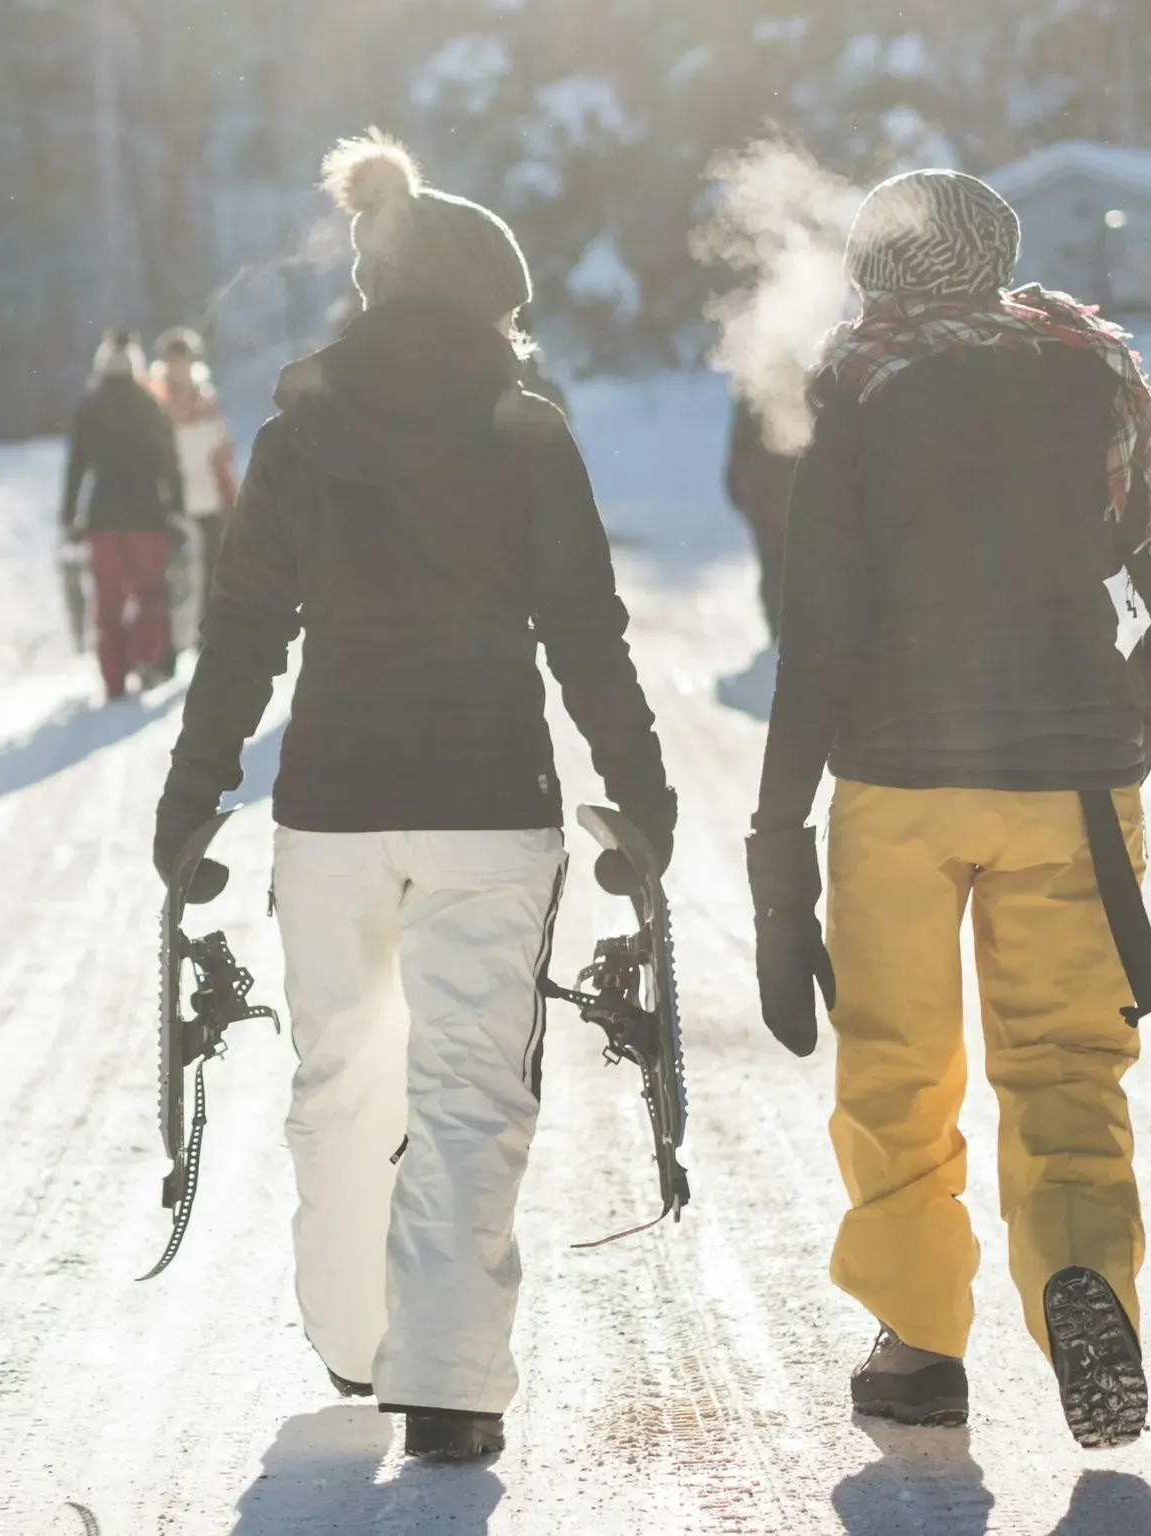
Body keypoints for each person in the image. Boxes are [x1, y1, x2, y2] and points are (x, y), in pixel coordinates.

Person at [152, 131, 674, 1465]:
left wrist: (192, 795)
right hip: (490, 801)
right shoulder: (527, 434)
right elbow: (586, 630)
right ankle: (446, 1385)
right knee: (467, 1088)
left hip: (331, 804)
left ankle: (351, 1337)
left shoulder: (295, 436)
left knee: (337, 1078)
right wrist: (643, 791)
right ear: (492, 306)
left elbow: (244, 631)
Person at [745, 170, 1151, 1447]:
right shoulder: (1096, 380)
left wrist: (774, 837)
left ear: (875, 270)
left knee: (898, 1065)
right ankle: (1081, 1273)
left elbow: (821, 638)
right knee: (1067, 1062)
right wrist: (1129, 731)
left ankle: (916, 1344)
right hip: (1070, 782)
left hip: (898, 787)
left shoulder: (857, 388)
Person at [61, 331, 183, 699]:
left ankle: (113, 678)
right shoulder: (150, 404)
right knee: (149, 593)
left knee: (108, 599)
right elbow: (169, 461)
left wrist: (69, 515)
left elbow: (76, 467)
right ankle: (144, 656)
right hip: (147, 515)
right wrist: (176, 505)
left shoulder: (89, 408)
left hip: (102, 519)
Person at [148, 326, 238, 629]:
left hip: (211, 501)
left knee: (213, 575)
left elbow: (223, 453)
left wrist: (231, 497)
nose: (180, 367)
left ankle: (207, 635)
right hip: (173, 503)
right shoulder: (155, 403)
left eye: (184, 360)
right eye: (174, 361)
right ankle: (172, 645)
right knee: (175, 579)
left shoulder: (207, 400)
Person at [724, 392, 798, 645]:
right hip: (776, 493)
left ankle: (781, 631)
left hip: (768, 492)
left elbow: (739, 441)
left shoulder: (757, 379)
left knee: (774, 564)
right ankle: (782, 631)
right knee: (780, 563)